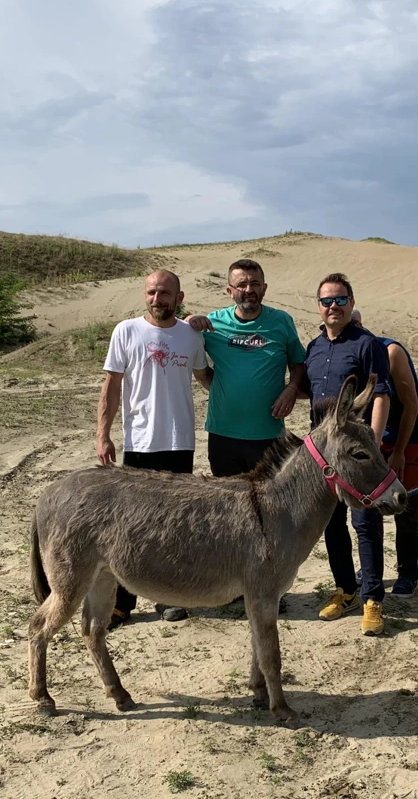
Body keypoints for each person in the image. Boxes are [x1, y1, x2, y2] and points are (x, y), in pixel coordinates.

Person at [185, 259, 307, 613]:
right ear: (230, 291)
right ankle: (231, 588)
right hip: (223, 433)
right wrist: (190, 323)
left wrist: (291, 388)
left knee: (269, 514)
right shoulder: (212, 323)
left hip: (268, 436)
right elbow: (198, 364)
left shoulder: (281, 322)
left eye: (254, 283)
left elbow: (297, 362)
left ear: (264, 288)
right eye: (241, 284)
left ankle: (268, 588)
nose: (248, 290)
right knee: (228, 514)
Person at [95, 269, 211, 628]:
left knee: (176, 525)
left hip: (180, 442)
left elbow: (207, 379)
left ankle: (169, 597)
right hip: (140, 442)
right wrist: (103, 434)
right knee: (130, 525)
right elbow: (111, 385)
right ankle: (123, 601)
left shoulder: (190, 335)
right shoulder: (126, 331)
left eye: (165, 293)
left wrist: (212, 332)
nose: (157, 299)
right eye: (151, 292)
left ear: (179, 297)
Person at [298, 274, 392, 636]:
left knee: (365, 524)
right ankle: (346, 589)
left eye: (340, 300)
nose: (333, 307)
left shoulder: (368, 344)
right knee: (332, 524)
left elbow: (380, 394)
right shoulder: (314, 347)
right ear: (318, 306)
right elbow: (309, 391)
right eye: (326, 301)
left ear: (351, 302)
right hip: (322, 456)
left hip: (354, 454)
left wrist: (375, 441)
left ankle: (372, 598)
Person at [349, 309, 418, 598]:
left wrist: (398, 451)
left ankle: (408, 572)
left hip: (407, 439)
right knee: (370, 508)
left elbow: (412, 406)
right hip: (373, 441)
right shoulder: (346, 353)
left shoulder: (389, 351)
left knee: (404, 505)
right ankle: (373, 571)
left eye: (354, 326)